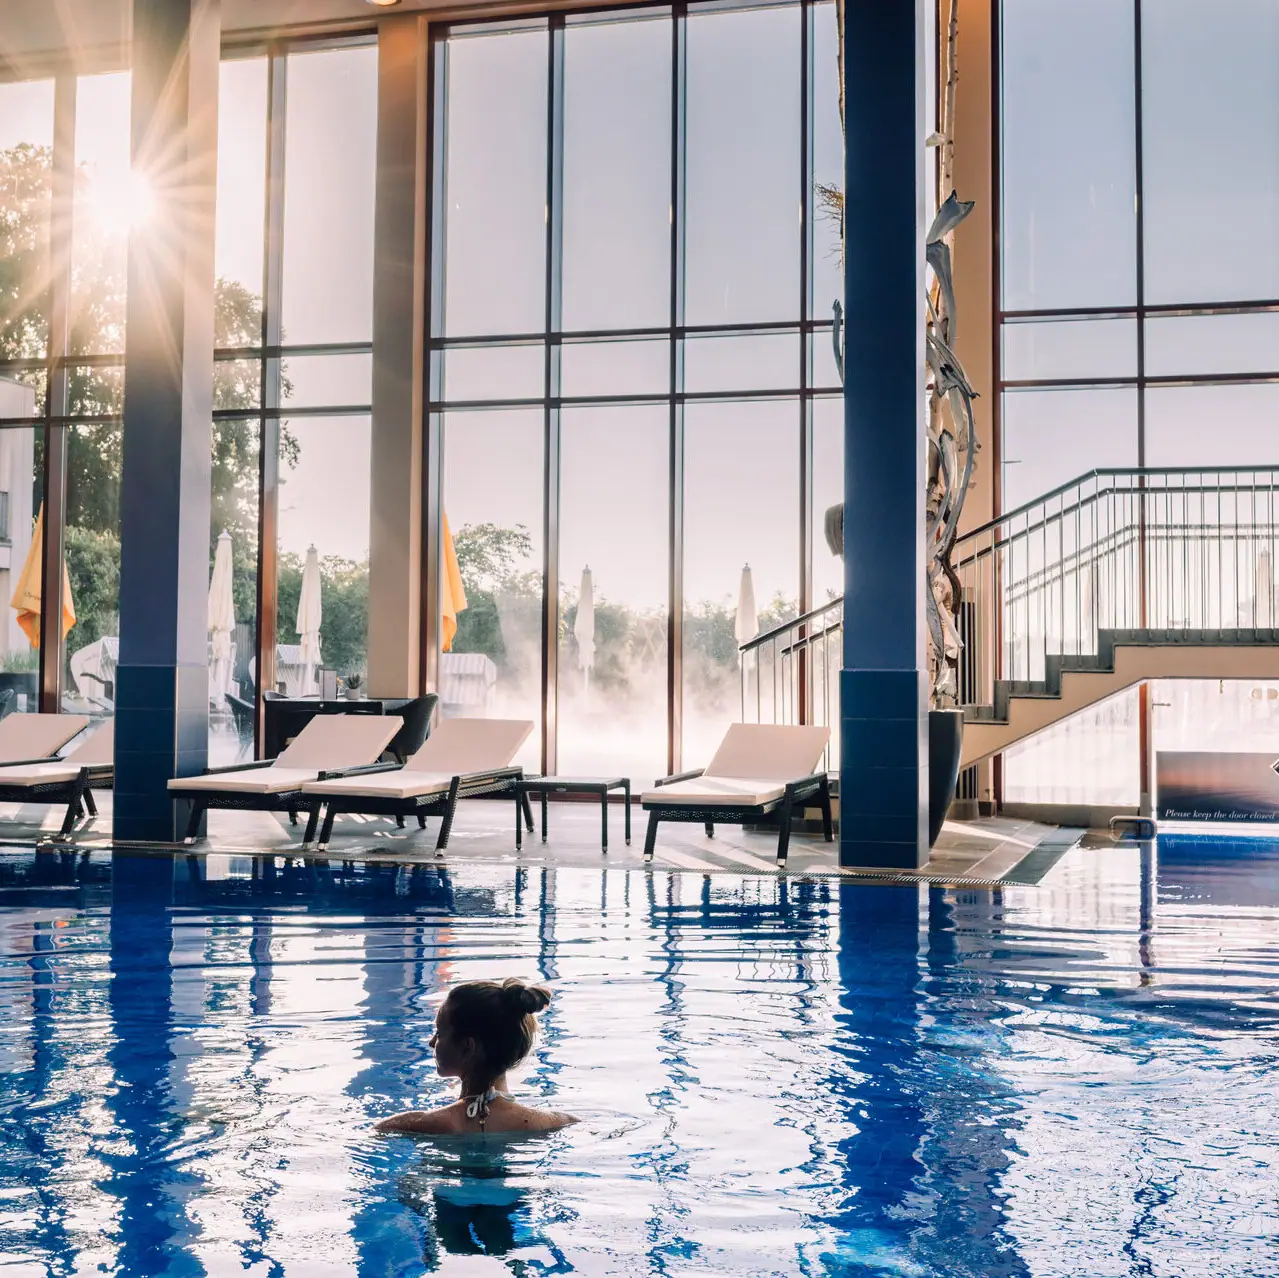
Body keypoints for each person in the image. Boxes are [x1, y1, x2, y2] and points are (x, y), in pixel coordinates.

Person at [376, 978, 577, 1136]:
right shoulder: (556, 1123)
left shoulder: (415, 1125)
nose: (431, 1043)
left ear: (467, 1047)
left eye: (439, 1034)